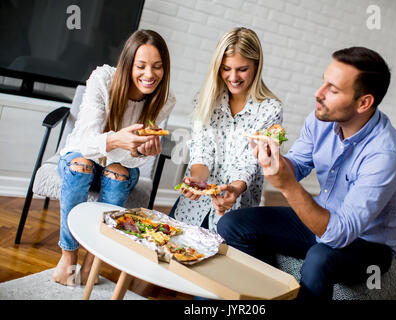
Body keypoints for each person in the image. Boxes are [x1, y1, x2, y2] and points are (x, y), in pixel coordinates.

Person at [217, 47, 396, 300]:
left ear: (364, 102)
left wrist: (286, 186)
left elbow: (339, 234)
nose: (318, 94)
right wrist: (274, 158)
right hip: (323, 219)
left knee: (320, 258)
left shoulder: (386, 154)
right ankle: (270, 295)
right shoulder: (320, 120)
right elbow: (297, 165)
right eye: (323, 82)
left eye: (333, 89)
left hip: (368, 245)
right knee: (231, 224)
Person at [52, 29, 176, 286]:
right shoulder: (103, 79)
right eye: (141, 66)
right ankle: (69, 256)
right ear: (128, 63)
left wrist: (140, 151)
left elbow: (134, 161)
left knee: (118, 175)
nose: (149, 75)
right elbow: (85, 141)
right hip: (81, 157)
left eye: (157, 67)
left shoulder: (165, 99)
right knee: (81, 166)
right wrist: (115, 139)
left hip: (121, 167)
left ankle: (92, 261)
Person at [170, 27, 283, 232]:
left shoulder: (270, 109)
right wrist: (197, 180)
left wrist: (234, 189)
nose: (233, 77)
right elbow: (201, 149)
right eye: (226, 68)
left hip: (236, 214)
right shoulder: (205, 100)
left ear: (257, 66)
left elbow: (251, 163)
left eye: (242, 69)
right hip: (193, 208)